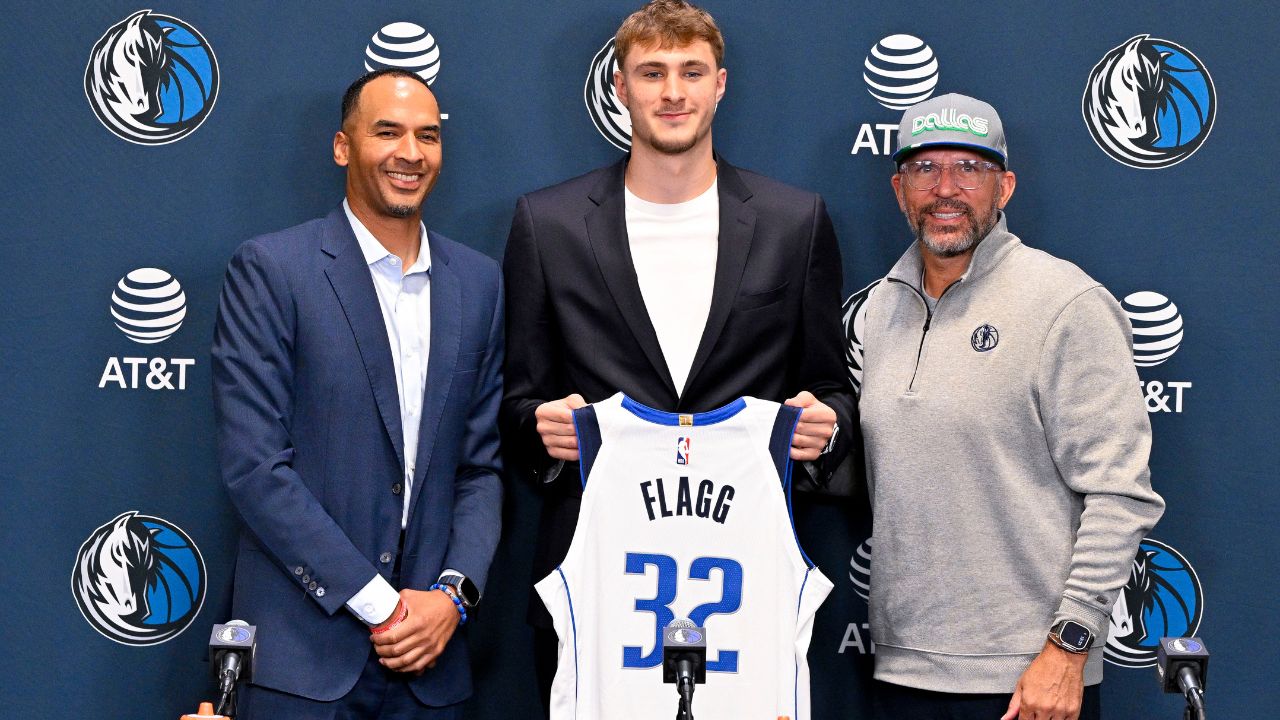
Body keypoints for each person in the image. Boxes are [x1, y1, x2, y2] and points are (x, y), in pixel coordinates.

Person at [500, 0, 856, 707]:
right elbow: (517, 401)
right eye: (652, 72)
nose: (672, 92)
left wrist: (828, 426)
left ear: (720, 84)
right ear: (620, 87)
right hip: (600, 577)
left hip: (748, 571)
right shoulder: (550, 225)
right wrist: (539, 427)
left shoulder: (795, 222)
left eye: (691, 71)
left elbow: (830, 387)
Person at [857, 92, 1165, 720]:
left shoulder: (1067, 303)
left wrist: (1069, 646)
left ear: (1005, 187)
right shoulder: (876, 311)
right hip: (899, 670)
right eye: (925, 168)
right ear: (898, 189)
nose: (946, 188)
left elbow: (1120, 494)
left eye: (969, 168)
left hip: (1028, 681)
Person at [212, 69, 503, 719]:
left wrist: (451, 597)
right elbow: (255, 468)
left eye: (427, 136)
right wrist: (383, 603)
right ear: (343, 146)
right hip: (304, 666)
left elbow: (480, 467)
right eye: (387, 132)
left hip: (434, 670)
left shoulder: (479, 284)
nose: (410, 152)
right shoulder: (272, 271)